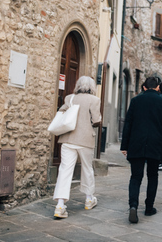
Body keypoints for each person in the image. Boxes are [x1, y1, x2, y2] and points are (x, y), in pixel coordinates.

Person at [121, 77, 162, 223]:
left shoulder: (135, 101)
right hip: (155, 145)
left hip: (136, 144)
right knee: (153, 176)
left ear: (144, 87)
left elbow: (128, 124)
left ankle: (133, 205)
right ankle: (149, 207)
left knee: (135, 177)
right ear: (158, 88)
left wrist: (124, 146)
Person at [53, 76, 102, 218]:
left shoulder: (70, 98)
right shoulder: (94, 100)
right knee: (87, 169)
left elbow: (61, 113)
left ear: (78, 85)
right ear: (91, 87)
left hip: (68, 138)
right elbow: (97, 120)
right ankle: (88, 199)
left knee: (65, 170)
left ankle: (60, 205)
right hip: (85, 139)